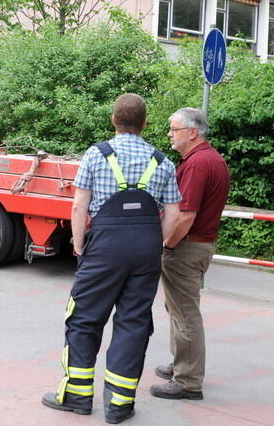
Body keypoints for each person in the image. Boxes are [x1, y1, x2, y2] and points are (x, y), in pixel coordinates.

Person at [42, 93, 180, 425]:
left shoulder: (96, 154)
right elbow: (174, 214)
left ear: (113, 121)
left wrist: (78, 245)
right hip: (146, 250)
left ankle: (76, 396)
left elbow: (79, 205)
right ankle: (119, 405)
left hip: (104, 247)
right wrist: (154, 243)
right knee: (133, 323)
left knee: (84, 319)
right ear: (145, 124)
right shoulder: (163, 161)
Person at [150, 107, 230, 402]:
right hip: (197, 245)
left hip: (186, 246)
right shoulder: (210, 158)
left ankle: (188, 380)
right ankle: (180, 365)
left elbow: (185, 215)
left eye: (174, 129)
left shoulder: (198, 164)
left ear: (193, 132)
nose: (170, 134)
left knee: (185, 313)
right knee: (178, 309)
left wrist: (166, 245)